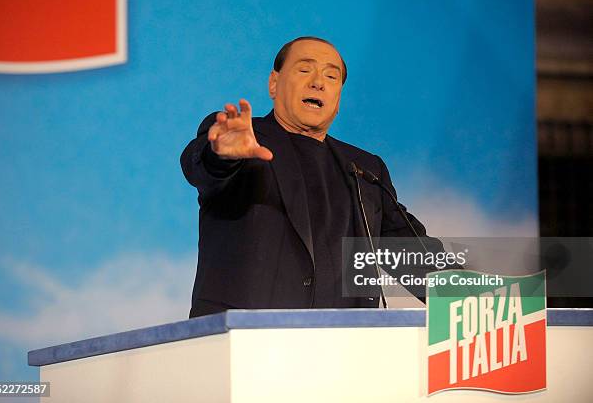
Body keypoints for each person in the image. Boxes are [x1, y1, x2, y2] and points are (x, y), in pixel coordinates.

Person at [181, 36, 433, 318]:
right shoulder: (244, 140)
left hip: (344, 350)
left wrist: (481, 302)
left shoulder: (365, 169)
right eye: (305, 70)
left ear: (338, 100)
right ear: (274, 84)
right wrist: (222, 155)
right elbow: (202, 167)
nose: (318, 82)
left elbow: (413, 255)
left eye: (331, 76)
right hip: (245, 346)